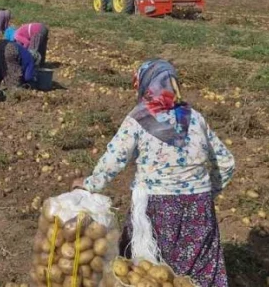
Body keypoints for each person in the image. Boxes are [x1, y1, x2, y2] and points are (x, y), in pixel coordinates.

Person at [76, 60, 235, 287]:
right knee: (196, 275)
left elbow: (115, 158)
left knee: (147, 271)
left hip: (156, 208)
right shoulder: (195, 118)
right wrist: (206, 194)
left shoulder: (139, 118)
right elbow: (227, 162)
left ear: (145, 84)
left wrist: (90, 184)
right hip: (198, 208)